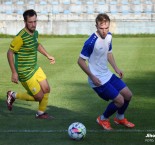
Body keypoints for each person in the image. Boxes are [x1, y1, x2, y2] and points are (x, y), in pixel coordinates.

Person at [77, 13, 135, 130]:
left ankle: (120, 118)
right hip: (97, 79)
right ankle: (103, 119)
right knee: (120, 100)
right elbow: (80, 61)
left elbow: (109, 53)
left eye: (106, 28)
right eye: (101, 28)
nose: (104, 31)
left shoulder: (109, 36)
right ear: (96, 26)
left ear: (109, 26)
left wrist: (116, 69)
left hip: (108, 74)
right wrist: (92, 77)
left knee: (128, 95)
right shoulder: (90, 42)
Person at [6, 9, 55, 119]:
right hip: (25, 72)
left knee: (47, 89)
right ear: (25, 22)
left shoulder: (35, 33)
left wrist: (48, 55)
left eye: (35, 21)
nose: (33, 24)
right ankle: (13, 95)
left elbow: (36, 45)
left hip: (35, 67)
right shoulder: (20, 37)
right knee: (39, 97)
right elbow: (9, 53)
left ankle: (40, 113)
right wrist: (14, 72)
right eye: (30, 22)